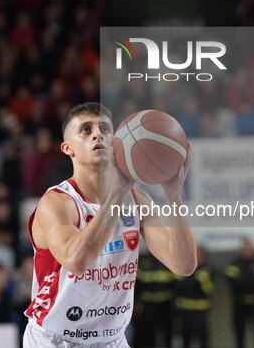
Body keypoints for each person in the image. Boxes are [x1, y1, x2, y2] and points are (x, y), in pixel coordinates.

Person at [23, 102, 196, 347]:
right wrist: (114, 196)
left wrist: (174, 196)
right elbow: (76, 261)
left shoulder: (138, 201)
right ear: (67, 148)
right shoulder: (57, 203)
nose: (97, 134)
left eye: (105, 129)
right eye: (85, 130)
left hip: (112, 341)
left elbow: (184, 265)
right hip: (55, 340)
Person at [225, 237, 254, 348]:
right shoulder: (233, 265)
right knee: (239, 335)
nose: (248, 251)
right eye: (245, 249)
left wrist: (243, 277)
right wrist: (250, 276)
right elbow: (235, 282)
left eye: (250, 248)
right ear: (241, 250)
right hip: (239, 304)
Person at [175, 245, 214, 348]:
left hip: (200, 310)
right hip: (185, 310)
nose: (195, 255)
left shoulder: (207, 269)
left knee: (202, 338)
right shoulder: (183, 267)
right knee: (186, 338)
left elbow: (206, 289)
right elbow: (179, 285)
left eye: (197, 253)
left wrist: (189, 279)